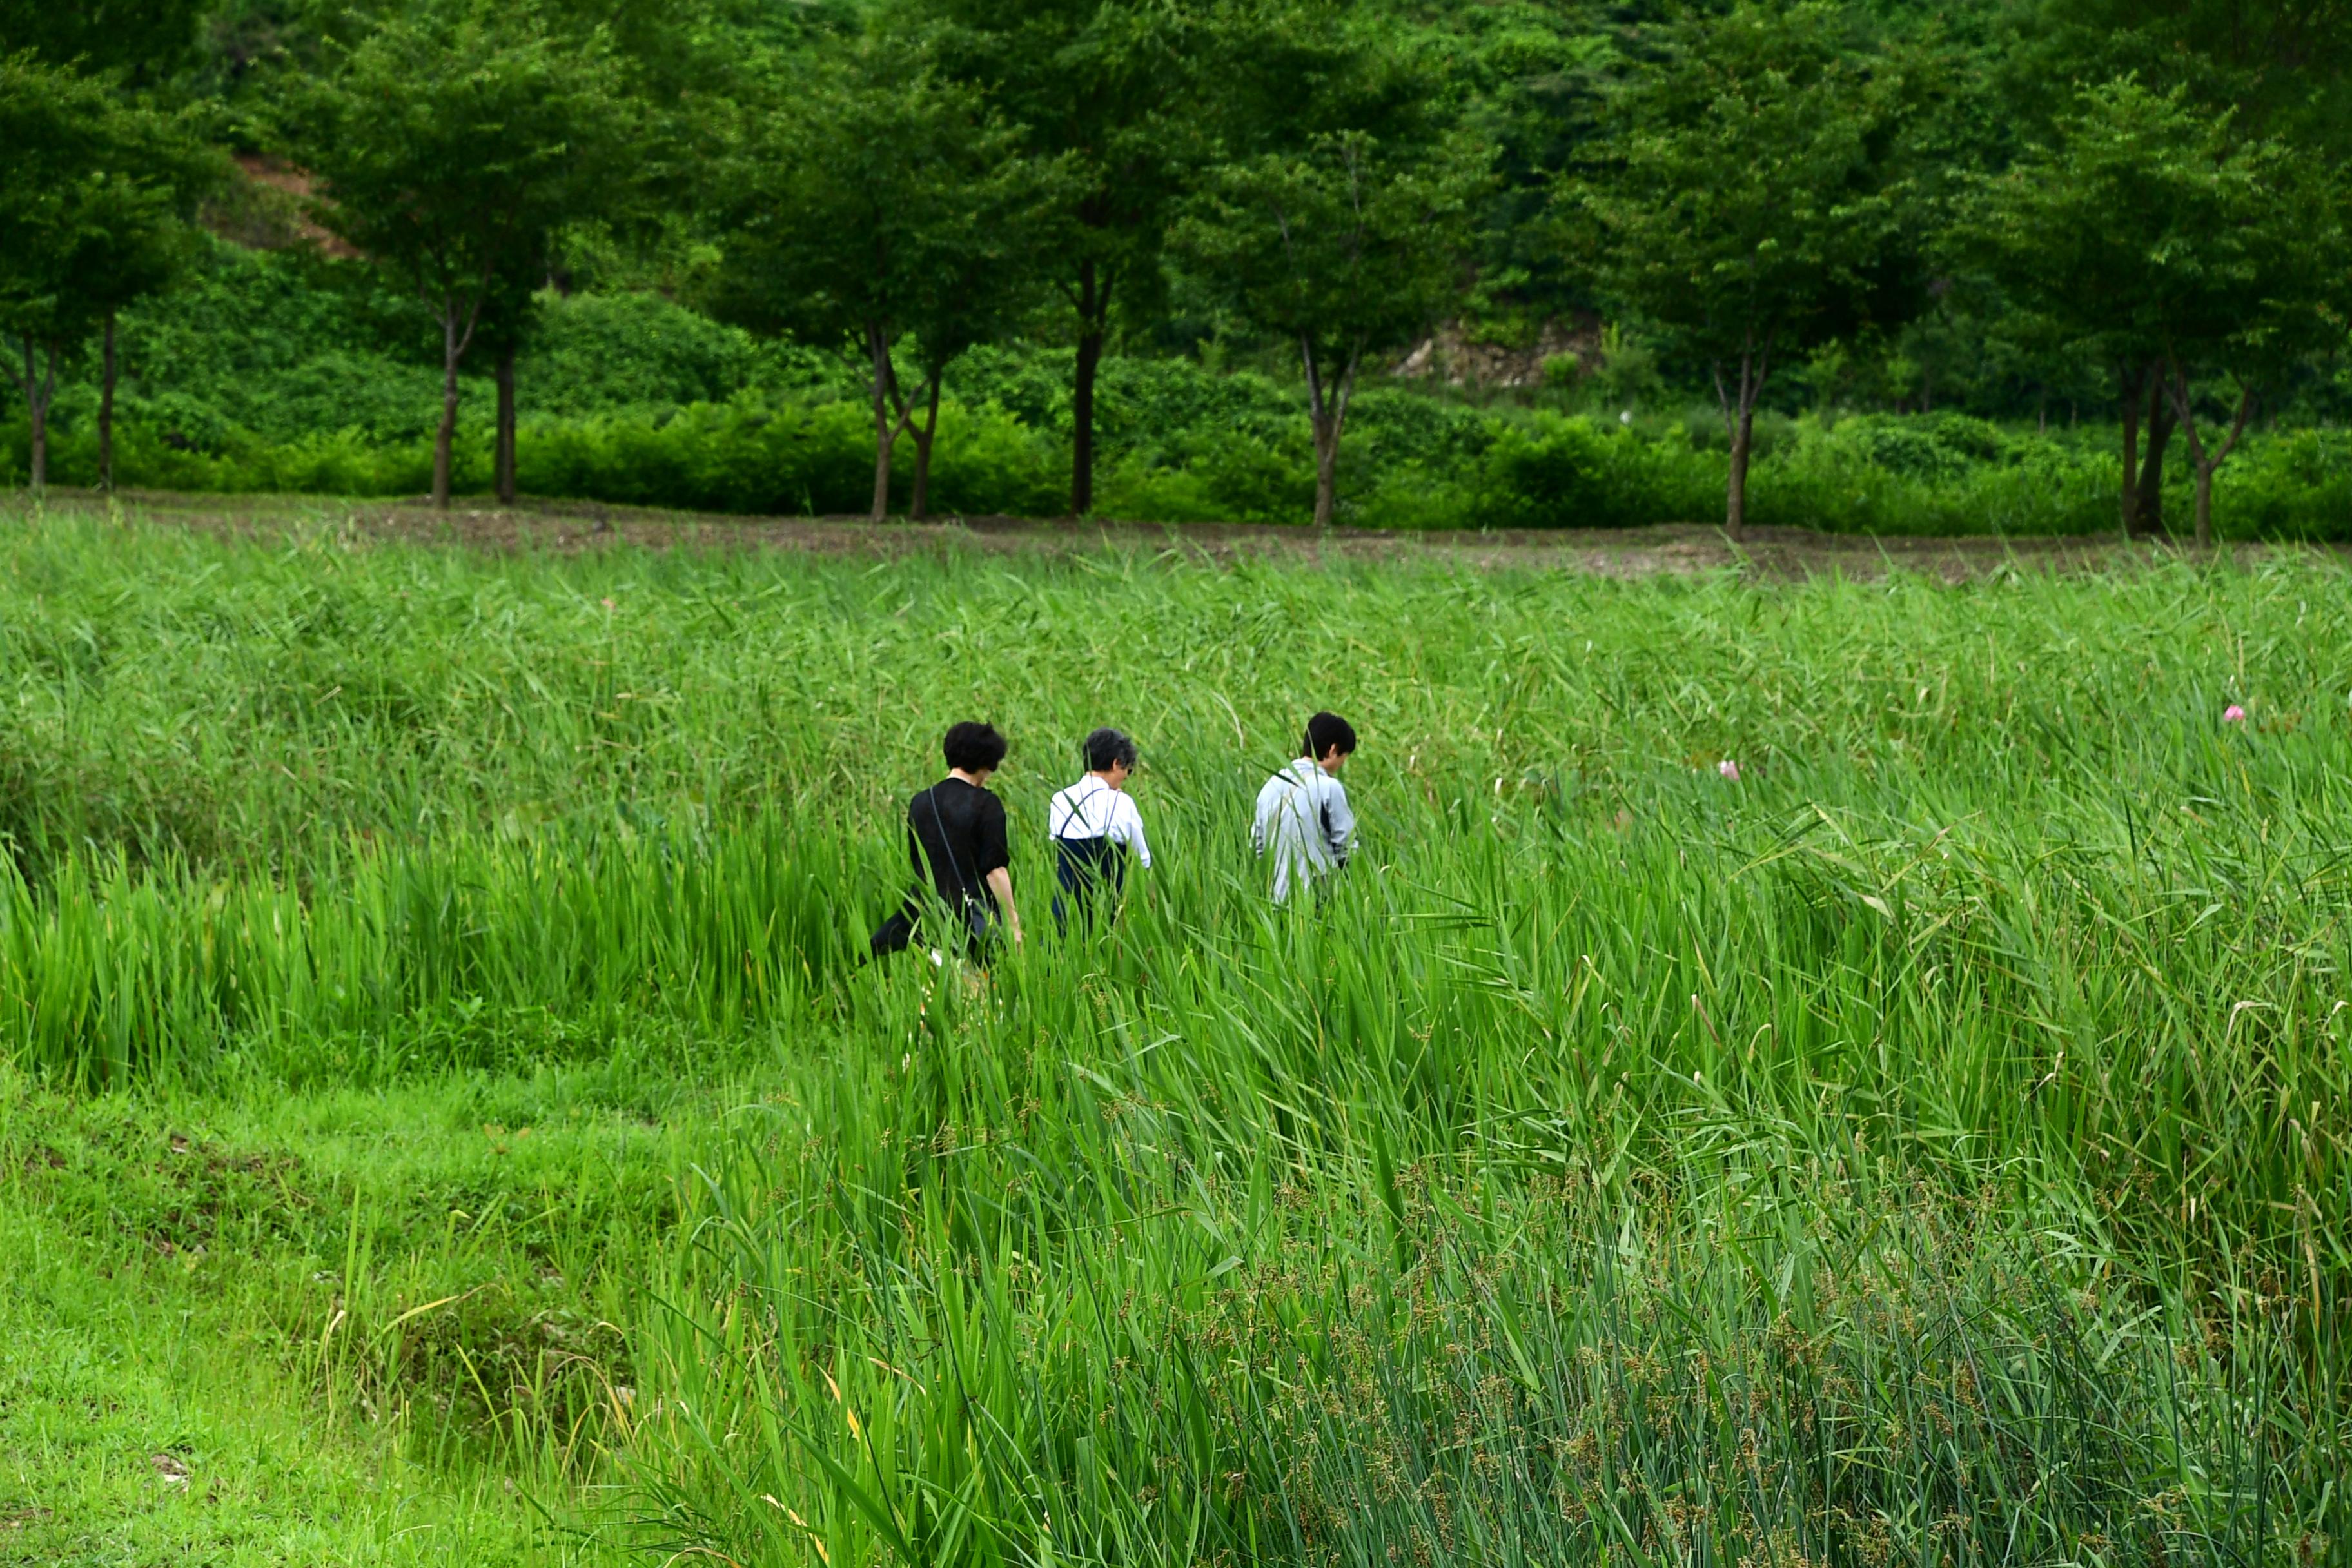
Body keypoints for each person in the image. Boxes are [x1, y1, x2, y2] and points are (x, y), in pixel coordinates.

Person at [871, 721, 1023, 960]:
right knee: (980, 991)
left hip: (929, 918)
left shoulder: (921, 802)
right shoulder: (986, 804)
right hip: (973, 922)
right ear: (987, 762)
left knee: (940, 990)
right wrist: (1013, 924)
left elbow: (920, 864)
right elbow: (995, 870)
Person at [1048, 727, 1152, 931]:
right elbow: (1143, 859)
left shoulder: (1059, 799)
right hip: (1108, 913)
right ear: (1116, 764)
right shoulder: (1122, 803)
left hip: (1066, 912)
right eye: (1127, 771)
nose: (1125, 778)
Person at [1253, 711, 1357, 903]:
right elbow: (1346, 846)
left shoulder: (1271, 785)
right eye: (1344, 756)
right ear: (1333, 750)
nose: (1342, 763)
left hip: (1276, 902)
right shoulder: (1330, 788)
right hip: (1318, 898)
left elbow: (1258, 848)